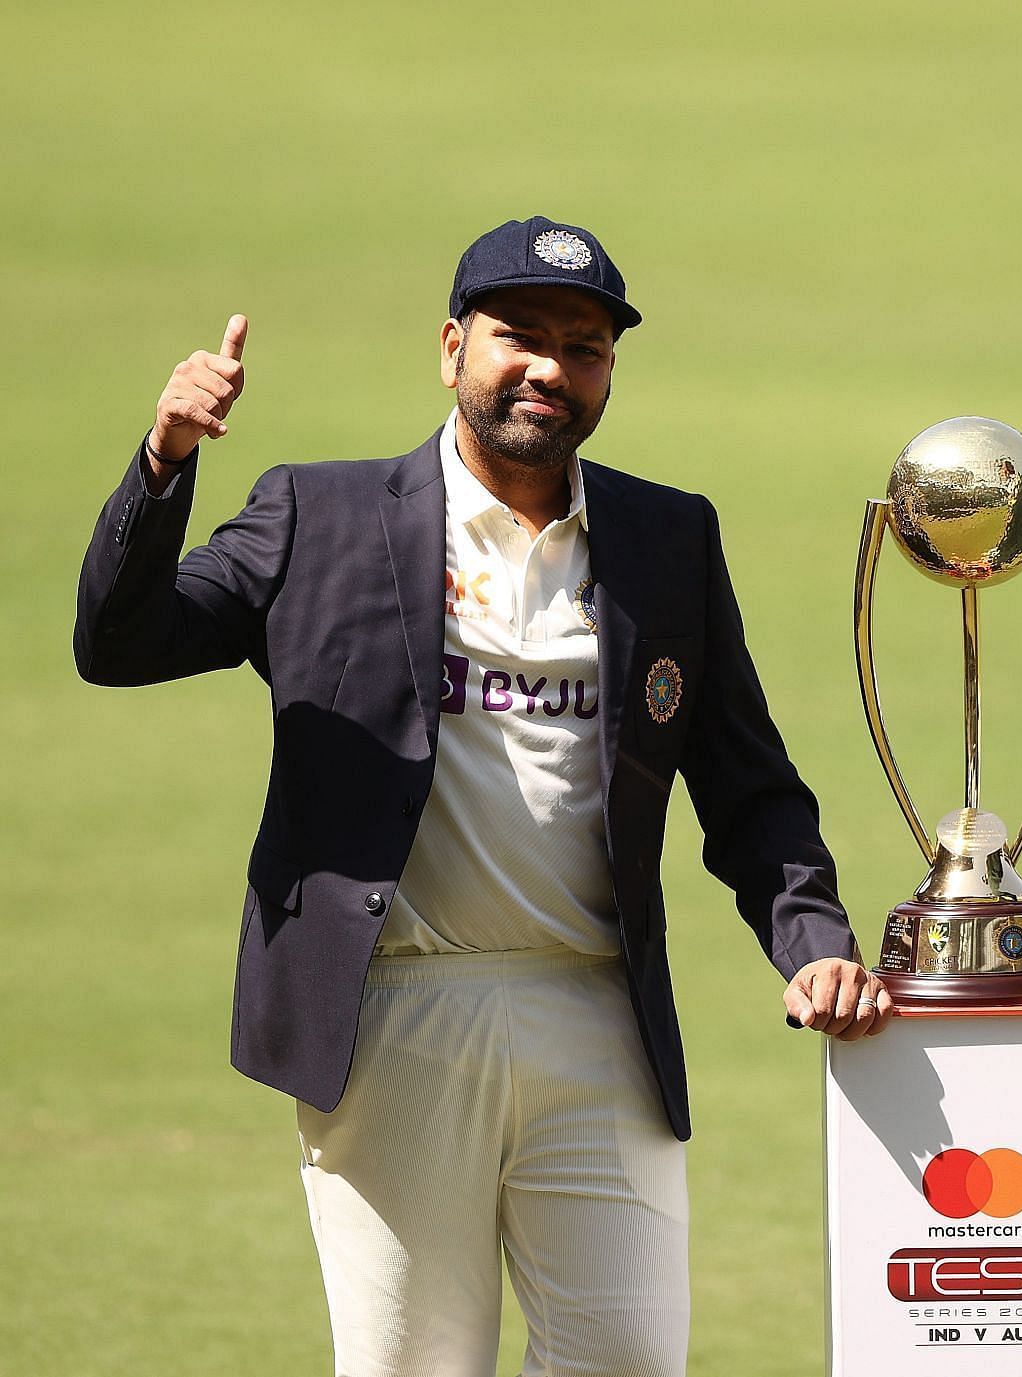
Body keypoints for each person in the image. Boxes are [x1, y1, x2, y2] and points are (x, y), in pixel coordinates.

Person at [75, 215, 894, 1377]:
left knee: (628, 1364)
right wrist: (162, 461)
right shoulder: (320, 513)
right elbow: (122, 642)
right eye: (520, 336)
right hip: (396, 1018)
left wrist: (812, 941)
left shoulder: (668, 536)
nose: (551, 369)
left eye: (587, 345)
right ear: (452, 347)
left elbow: (749, 787)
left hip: (599, 1017)